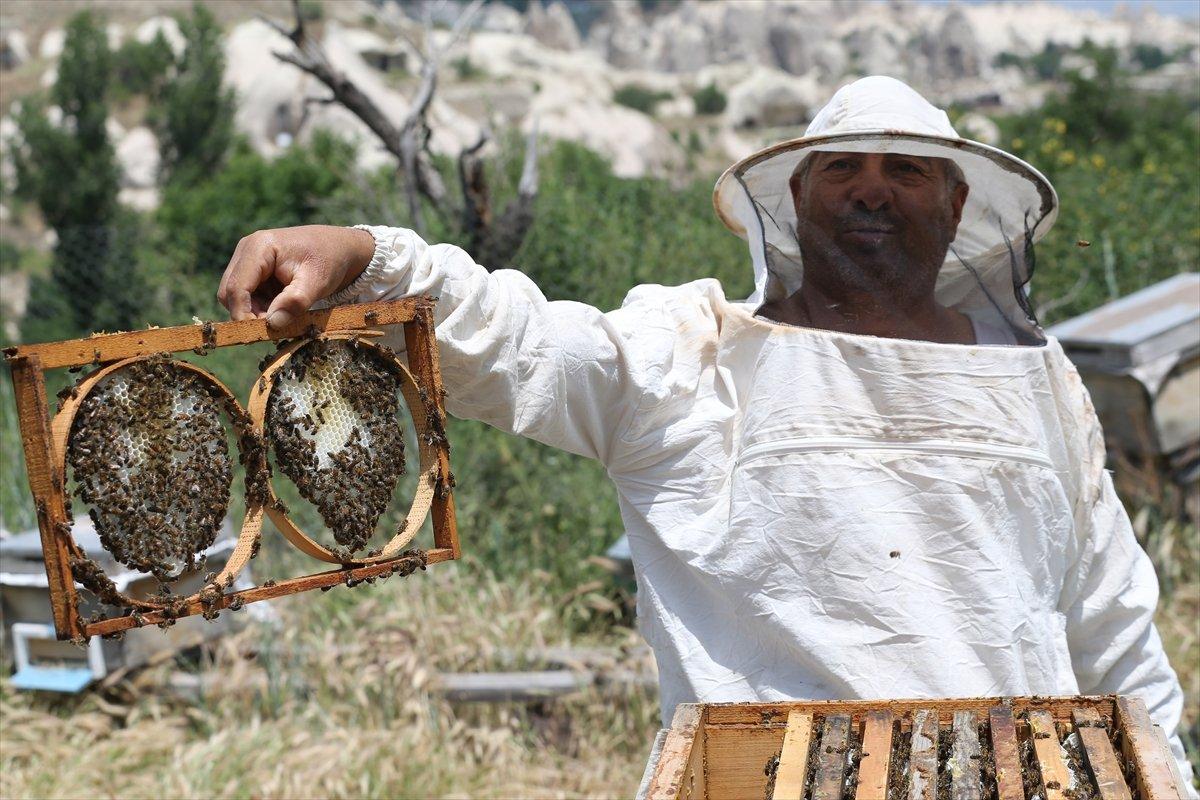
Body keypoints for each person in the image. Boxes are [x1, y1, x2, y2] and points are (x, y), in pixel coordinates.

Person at [218, 76, 1194, 783]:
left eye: (905, 169)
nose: (872, 189)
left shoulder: (1039, 381)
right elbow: (527, 344)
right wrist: (371, 257)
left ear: (957, 203)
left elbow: (1111, 621)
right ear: (794, 198)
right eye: (843, 168)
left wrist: (1168, 776)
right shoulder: (692, 351)